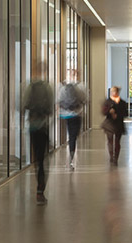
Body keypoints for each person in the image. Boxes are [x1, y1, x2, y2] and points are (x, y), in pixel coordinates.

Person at [22, 70, 54, 204]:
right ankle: (40, 190)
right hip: (43, 127)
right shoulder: (47, 87)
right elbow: (51, 109)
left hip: (33, 127)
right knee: (43, 159)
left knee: (38, 158)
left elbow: (24, 104)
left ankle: (39, 190)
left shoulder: (30, 87)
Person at [57, 70, 87, 170]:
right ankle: (71, 157)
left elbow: (58, 100)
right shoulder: (81, 86)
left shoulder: (62, 86)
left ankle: (70, 157)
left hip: (65, 115)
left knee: (71, 136)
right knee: (73, 136)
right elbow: (85, 99)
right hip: (76, 114)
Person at [101, 86, 129, 166]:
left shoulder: (122, 102)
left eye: (115, 91)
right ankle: (111, 156)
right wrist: (109, 111)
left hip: (118, 124)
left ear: (118, 92)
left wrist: (117, 115)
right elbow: (103, 112)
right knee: (110, 141)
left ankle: (116, 158)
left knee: (117, 142)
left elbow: (126, 113)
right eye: (112, 91)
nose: (114, 93)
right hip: (109, 124)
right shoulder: (107, 102)